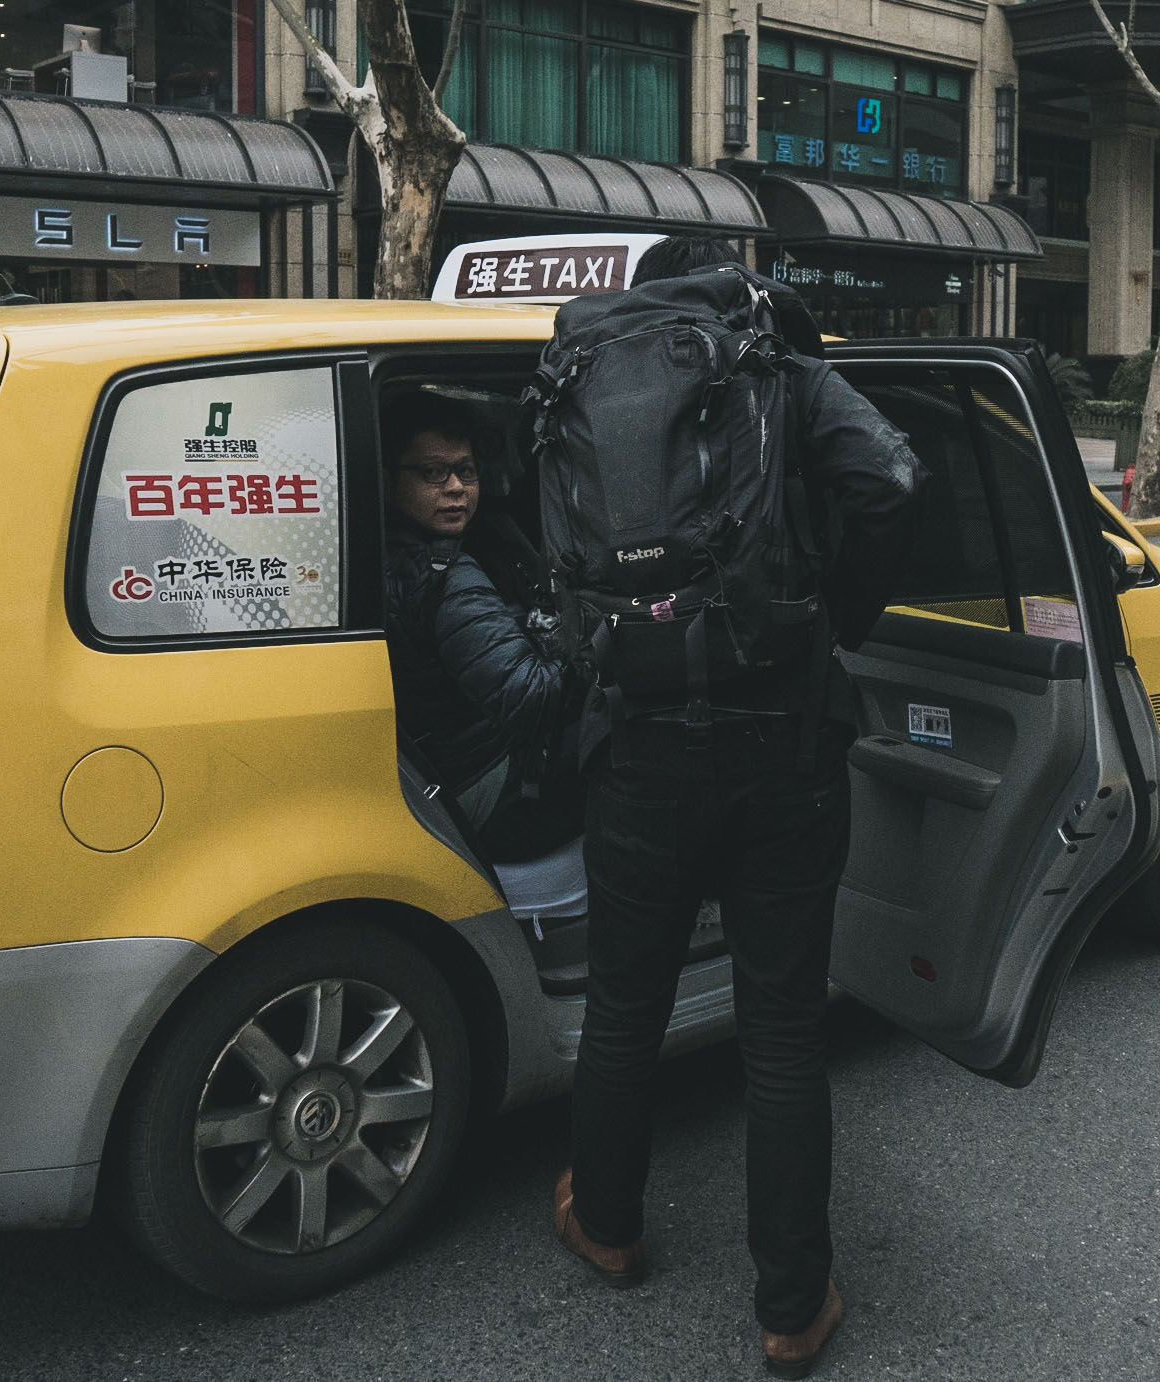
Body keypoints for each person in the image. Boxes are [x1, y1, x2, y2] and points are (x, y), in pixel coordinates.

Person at [553, 235, 924, 1379]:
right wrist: (838, 615)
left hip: (636, 744)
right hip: (782, 745)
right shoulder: (781, 371)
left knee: (623, 1007)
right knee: (781, 1029)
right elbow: (890, 478)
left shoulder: (581, 374)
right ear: (735, 283)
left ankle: (605, 1224)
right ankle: (789, 1306)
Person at [380, 392, 578, 861]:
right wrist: (589, 656)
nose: (455, 488)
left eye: (466, 471)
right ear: (389, 479)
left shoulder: (389, 548)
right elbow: (531, 697)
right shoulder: (446, 575)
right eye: (432, 473)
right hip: (481, 780)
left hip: (437, 773)